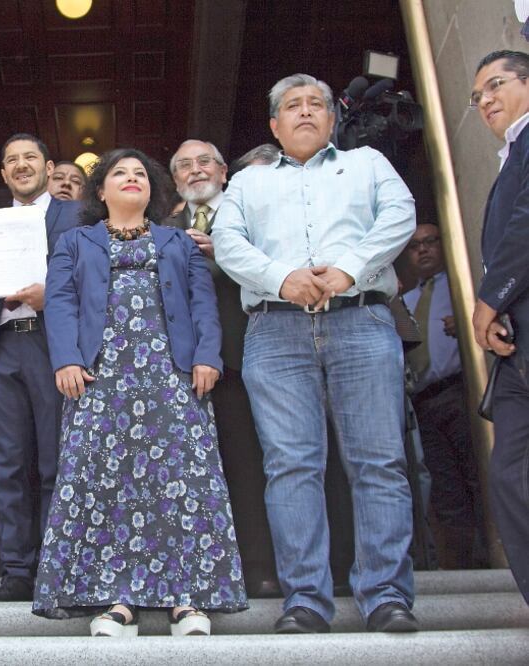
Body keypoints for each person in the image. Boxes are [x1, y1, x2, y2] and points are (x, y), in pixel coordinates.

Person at [214, 73, 418, 634]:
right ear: (274, 125)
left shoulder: (369, 164)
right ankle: (305, 598)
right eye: (292, 106)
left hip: (362, 322)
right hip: (275, 334)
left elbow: (398, 217)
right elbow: (229, 243)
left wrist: (350, 267)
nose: (305, 112)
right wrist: (283, 278)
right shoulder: (247, 184)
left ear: (331, 119)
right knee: (291, 467)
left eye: (316, 105)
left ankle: (385, 596)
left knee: (379, 462)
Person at [36, 148, 247, 637]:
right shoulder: (73, 241)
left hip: (171, 376)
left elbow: (203, 304)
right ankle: (117, 601)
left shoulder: (178, 241)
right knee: (106, 484)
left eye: (140, 174)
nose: (132, 179)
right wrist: (66, 358)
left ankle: (185, 599)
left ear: (153, 190)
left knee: (181, 485)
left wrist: (207, 357)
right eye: (119, 174)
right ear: (102, 190)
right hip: (98, 376)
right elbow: (61, 302)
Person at [0, 133, 81, 601]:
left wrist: (48, 295)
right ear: (3, 173)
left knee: (55, 462)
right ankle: (16, 570)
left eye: (29, 157)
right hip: (2, 347)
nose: (21, 165)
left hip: (52, 346)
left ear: (49, 168)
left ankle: (57, 570)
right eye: (11, 160)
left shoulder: (76, 216)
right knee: (5, 465)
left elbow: (93, 281)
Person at [163, 139, 279, 597]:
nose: (196, 171)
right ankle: (227, 570)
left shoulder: (254, 210)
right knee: (212, 471)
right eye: (184, 166)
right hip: (194, 370)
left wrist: (225, 254)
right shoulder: (165, 228)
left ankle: (281, 567)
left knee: (271, 464)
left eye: (205, 161)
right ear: (174, 180)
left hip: (259, 352)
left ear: (225, 170)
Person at [470, 49, 529, 605]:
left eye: (495, 85)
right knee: (510, 475)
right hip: (515, 352)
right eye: (477, 95)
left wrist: (488, 300)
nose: (485, 100)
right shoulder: (511, 157)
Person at [402, 222, 486, 569]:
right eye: (415, 245)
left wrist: (467, 321)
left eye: (431, 242)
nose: (423, 250)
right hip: (423, 403)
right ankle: (463, 562)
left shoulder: (462, 288)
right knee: (443, 484)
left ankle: (492, 552)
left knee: (476, 473)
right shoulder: (406, 299)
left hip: (459, 393)